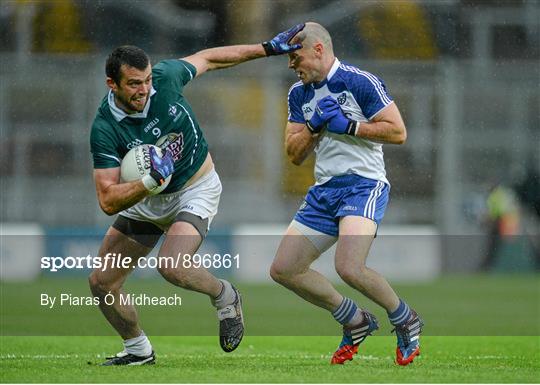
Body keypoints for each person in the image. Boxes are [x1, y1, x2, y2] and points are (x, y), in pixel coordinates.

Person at [88, 24, 305, 366]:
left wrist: (267, 48)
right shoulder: (105, 128)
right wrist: (148, 183)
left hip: (195, 188)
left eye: (146, 80)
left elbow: (210, 59)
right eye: (134, 84)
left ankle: (225, 296)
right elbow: (107, 200)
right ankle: (138, 350)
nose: (145, 89)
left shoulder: (166, 77)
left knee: (172, 265)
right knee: (102, 282)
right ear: (111, 84)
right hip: (146, 200)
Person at [269, 22, 423, 366]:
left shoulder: (359, 82)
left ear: (318, 50)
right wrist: (313, 126)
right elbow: (294, 154)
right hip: (325, 189)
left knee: (349, 267)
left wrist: (350, 126)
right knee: (283, 269)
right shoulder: (298, 94)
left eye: (295, 58)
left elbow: (398, 132)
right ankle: (354, 319)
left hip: (363, 184)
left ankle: (405, 318)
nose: (291, 65)